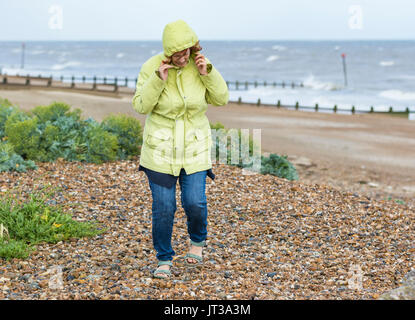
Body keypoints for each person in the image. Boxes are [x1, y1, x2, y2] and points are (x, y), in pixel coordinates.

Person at [132, 20, 229, 279]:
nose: (183, 57)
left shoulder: (200, 64)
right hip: (160, 151)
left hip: (194, 148)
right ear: (168, 53)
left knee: (194, 202)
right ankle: (164, 259)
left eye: (187, 51)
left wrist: (208, 72)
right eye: (178, 54)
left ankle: (197, 243)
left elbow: (221, 99)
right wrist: (158, 81)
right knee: (164, 207)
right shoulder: (151, 68)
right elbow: (140, 106)